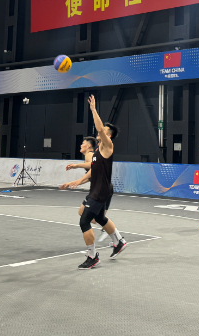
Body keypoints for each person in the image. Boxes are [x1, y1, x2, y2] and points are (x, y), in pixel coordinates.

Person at [61, 95, 127, 269]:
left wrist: (93, 109)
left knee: (84, 221)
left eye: (103, 130)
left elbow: (99, 129)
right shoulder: (98, 151)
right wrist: (76, 181)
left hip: (100, 191)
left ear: (108, 135)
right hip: (96, 189)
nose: (100, 131)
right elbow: (92, 171)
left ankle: (93, 256)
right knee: (98, 217)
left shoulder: (108, 145)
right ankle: (118, 241)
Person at [61, 137, 111, 242]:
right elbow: (90, 177)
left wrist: (76, 165)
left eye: (82, 143)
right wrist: (73, 183)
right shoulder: (89, 156)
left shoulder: (90, 155)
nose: (80, 145)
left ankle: (109, 232)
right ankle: (111, 233)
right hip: (102, 188)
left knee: (88, 217)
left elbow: (93, 165)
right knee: (93, 216)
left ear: (88, 146)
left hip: (101, 189)